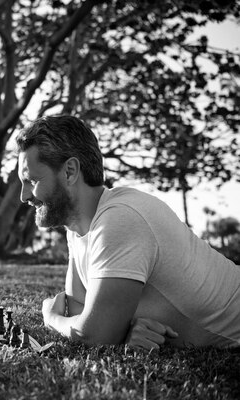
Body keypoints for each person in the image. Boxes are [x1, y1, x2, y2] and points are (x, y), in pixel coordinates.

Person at [16, 115, 240, 350]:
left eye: (31, 180)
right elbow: (78, 309)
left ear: (70, 171)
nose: (23, 196)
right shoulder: (80, 228)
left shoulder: (120, 217)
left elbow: (93, 334)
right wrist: (123, 332)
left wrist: (52, 319)